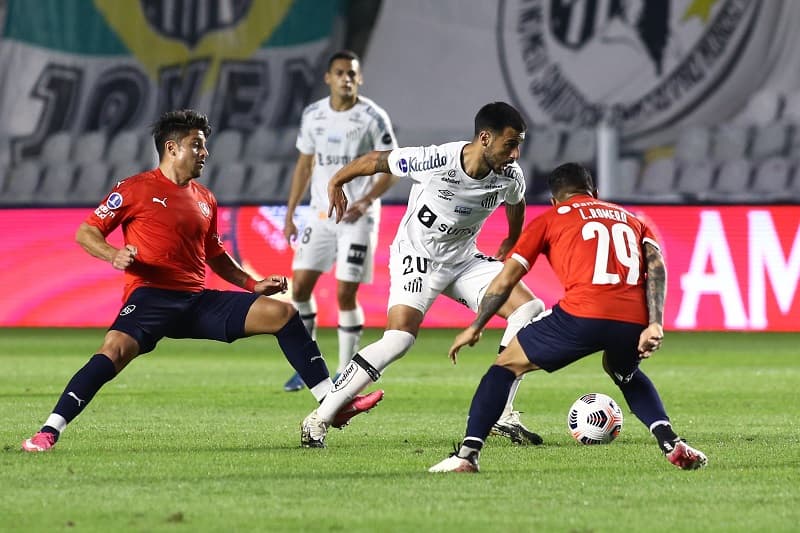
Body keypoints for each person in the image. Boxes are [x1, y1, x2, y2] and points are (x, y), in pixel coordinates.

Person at [21, 109, 382, 453]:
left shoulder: (205, 199)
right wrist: (113, 255)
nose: (204, 152)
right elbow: (87, 232)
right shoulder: (134, 189)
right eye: (197, 144)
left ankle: (333, 404)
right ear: (171, 148)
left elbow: (215, 256)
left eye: (204, 145)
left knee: (284, 315)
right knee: (112, 353)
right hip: (150, 298)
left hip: (196, 302)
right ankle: (49, 430)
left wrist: (251, 284)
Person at [428, 162, 708, 473]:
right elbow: (657, 267)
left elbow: (506, 279)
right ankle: (670, 440)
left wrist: (476, 326)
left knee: (505, 366)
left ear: (553, 200)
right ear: (595, 193)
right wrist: (655, 322)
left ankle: (467, 456)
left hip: (582, 315)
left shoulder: (549, 218)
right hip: (633, 320)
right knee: (623, 371)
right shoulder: (632, 220)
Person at [300, 101, 548, 448]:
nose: (516, 153)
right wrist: (339, 180)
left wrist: (511, 237)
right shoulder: (438, 159)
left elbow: (516, 201)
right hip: (417, 256)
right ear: (485, 138)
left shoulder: (510, 176)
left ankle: (502, 413)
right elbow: (378, 160)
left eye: (519, 144)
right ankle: (319, 418)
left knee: (529, 309)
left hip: (463, 260)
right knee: (399, 340)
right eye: (510, 144)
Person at [282, 50, 399, 393]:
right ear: (328, 78)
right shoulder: (313, 115)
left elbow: (391, 166)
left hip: (356, 218)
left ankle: (346, 372)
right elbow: (304, 165)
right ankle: (309, 362)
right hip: (320, 216)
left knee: (345, 293)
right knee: (299, 288)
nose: (346, 78)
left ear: (359, 78)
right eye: (340, 73)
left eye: (352, 73)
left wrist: (365, 200)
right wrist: (290, 213)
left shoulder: (373, 117)